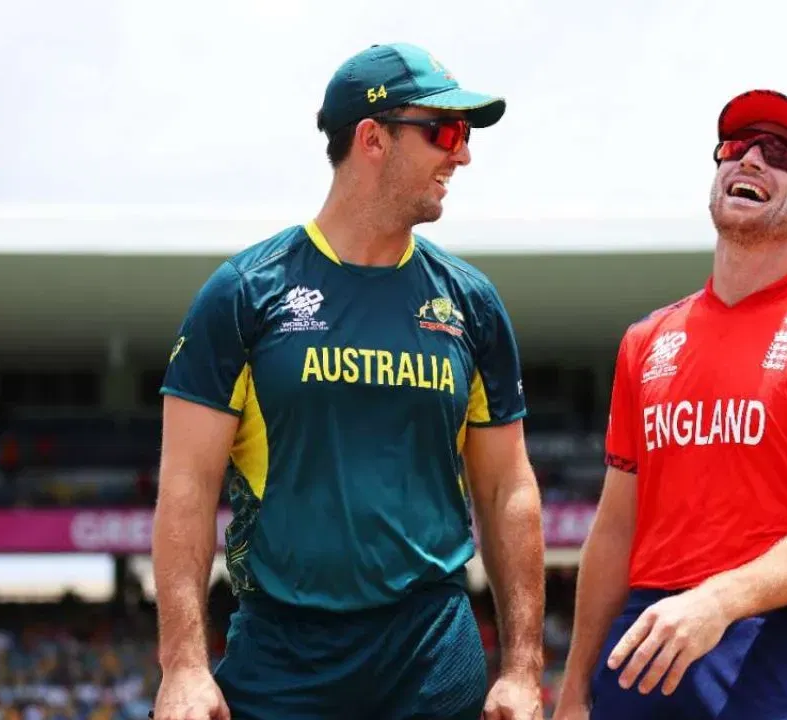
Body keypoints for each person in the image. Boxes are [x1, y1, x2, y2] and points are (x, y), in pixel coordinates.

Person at [150, 42, 545, 720]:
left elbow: (507, 487)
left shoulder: (471, 302)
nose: (464, 154)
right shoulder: (245, 293)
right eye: (444, 131)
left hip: (433, 654)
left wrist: (523, 670)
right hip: (283, 655)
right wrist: (183, 666)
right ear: (372, 138)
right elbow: (187, 485)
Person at [553, 90, 787, 719]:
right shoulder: (647, 339)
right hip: (642, 636)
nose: (749, 161)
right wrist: (575, 686)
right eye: (736, 147)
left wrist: (718, 601)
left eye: (780, 154)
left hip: (762, 634)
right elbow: (614, 529)